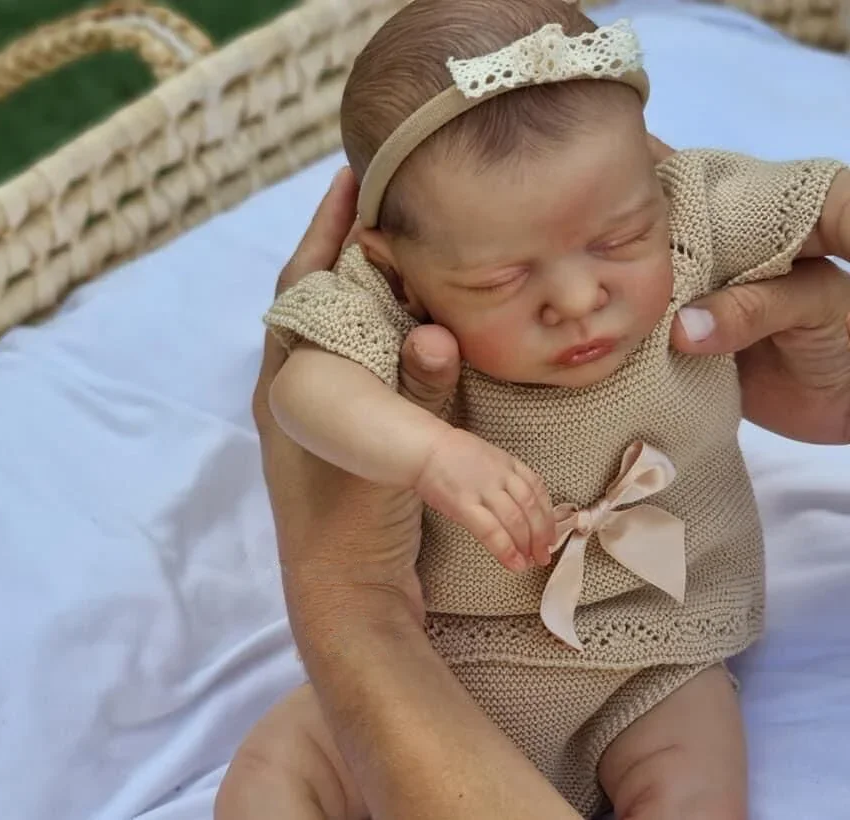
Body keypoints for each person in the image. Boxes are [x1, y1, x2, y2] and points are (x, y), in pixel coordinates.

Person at [216, 2, 850, 816]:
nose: (579, 298)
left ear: (652, 176)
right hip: (439, 654)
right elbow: (300, 391)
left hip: (655, 655)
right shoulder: (391, 307)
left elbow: (823, 199)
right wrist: (430, 453)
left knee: (696, 782)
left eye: (619, 240)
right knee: (276, 772)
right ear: (399, 268)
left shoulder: (688, 216)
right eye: (502, 280)